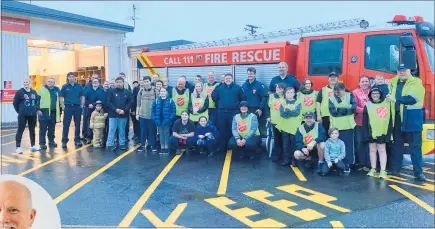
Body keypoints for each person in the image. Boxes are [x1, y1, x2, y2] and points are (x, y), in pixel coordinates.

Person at [387, 64, 426, 181]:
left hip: (412, 119)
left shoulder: (416, 82)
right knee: (397, 146)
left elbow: (413, 99)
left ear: (409, 71)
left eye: (404, 70)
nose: (402, 72)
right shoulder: (393, 82)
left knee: (415, 147)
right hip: (397, 119)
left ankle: (418, 172)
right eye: (400, 71)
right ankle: (395, 169)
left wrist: (396, 100)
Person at [212, 73, 245, 155]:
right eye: (226, 78)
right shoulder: (219, 88)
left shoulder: (238, 88)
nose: (228, 79)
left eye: (229, 78)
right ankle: (222, 148)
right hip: (222, 112)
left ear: (232, 79)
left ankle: (235, 148)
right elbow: (214, 97)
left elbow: (243, 98)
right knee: (222, 130)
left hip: (234, 112)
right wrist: (220, 104)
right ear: (224, 79)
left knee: (234, 130)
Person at [363, 87, 392, 179]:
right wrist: (366, 132)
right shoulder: (367, 105)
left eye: (377, 93)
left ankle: (383, 170)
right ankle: (373, 168)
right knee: (372, 150)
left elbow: (390, 118)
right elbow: (365, 121)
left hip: (382, 131)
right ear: (370, 95)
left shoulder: (387, 103)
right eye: (373, 94)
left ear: (380, 94)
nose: (375, 95)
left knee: (382, 150)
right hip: (371, 131)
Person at [329, 82, 357, 173]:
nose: (338, 92)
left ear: (344, 89)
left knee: (349, 147)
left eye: (340, 90)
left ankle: (348, 164)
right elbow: (333, 112)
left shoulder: (350, 96)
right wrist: (346, 108)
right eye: (336, 91)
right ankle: (337, 164)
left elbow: (353, 108)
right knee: (336, 147)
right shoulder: (331, 98)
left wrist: (339, 109)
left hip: (348, 126)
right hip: (336, 127)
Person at [13, 78, 40, 153]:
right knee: (20, 130)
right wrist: (20, 111)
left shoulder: (34, 92)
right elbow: (15, 103)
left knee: (32, 130)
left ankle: (33, 145)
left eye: (27, 82)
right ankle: (18, 147)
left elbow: (37, 102)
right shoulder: (19, 92)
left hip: (32, 115)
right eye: (24, 82)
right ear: (23, 83)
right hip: (23, 115)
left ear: (30, 83)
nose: (25, 83)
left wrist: (36, 109)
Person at [106, 77, 133, 151]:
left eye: (120, 82)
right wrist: (116, 109)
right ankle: (110, 144)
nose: (118, 83)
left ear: (123, 83)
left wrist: (125, 110)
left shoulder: (127, 92)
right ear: (115, 83)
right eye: (117, 82)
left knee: (122, 130)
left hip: (123, 114)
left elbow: (130, 102)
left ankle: (122, 144)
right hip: (113, 115)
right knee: (112, 130)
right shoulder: (111, 92)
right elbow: (108, 102)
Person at [59, 72, 85, 148]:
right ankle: (64, 141)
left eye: (72, 76)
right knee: (66, 125)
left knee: (77, 124)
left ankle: (77, 140)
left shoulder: (79, 86)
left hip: (77, 107)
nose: (71, 78)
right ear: (67, 78)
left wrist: (82, 105)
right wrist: (62, 106)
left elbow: (82, 96)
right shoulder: (64, 86)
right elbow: (61, 97)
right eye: (69, 77)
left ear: (75, 78)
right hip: (68, 107)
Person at [279, 87, 302, 166]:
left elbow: (297, 113)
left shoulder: (298, 102)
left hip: (294, 128)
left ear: (294, 93)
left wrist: (287, 111)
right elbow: (282, 114)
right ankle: (286, 160)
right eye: (288, 92)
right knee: (286, 145)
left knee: (293, 145)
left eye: (291, 92)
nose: (290, 94)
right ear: (285, 94)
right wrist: (290, 113)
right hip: (285, 127)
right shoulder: (282, 103)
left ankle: (294, 160)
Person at [241, 67, 268, 136]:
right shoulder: (244, 85)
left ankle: (257, 144)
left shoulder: (259, 85)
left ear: (254, 74)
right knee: (247, 127)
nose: (250, 75)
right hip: (246, 110)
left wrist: (260, 108)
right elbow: (242, 98)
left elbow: (264, 97)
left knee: (256, 128)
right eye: (248, 74)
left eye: (251, 74)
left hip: (256, 110)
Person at [352, 76, 371, 171]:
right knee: (359, 143)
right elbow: (354, 107)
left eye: (366, 81)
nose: (364, 83)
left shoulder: (373, 91)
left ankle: (369, 163)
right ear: (359, 83)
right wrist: (366, 111)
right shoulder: (355, 92)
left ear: (369, 82)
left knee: (369, 143)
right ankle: (361, 163)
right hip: (359, 121)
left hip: (371, 122)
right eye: (362, 81)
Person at [36, 77, 60, 149]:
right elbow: (36, 100)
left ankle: (51, 141)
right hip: (43, 112)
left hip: (53, 112)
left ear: (54, 83)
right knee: (43, 128)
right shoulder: (41, 90)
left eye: (52, 82)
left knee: (52, 128)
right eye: (49, 81)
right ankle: (42, 143)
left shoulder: (57, 90)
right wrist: (37, 110)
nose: (50, 83)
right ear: (46, 82)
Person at [152, 87, 176, 154]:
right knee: (161, 134)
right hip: (159, 121)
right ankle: (162, 147)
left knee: (166, 134)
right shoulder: (156, 101)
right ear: (159, 93)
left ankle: (167, 147)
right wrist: (154, 118)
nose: (162, 92)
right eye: (161, 91)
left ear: (166, 92)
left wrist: (170, 119)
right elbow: (153, 110)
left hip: (167, 121)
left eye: (164, 91)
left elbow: (173, 111)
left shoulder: (170, 101)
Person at [136, 76, 157, 152]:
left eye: (147, 81)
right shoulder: (141, 91)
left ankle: (153, 146)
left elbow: (157, 103)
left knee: (152, 132)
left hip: (152, 116)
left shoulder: (155, 91)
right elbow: (138, 104)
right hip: (142, 115)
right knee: (143, 132)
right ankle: (142, 146)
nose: (146, 83)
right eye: (145, 82)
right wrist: (137, 114)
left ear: (150, 82)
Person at [267, 83, 286, 162]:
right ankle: (277, 155)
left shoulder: (286, 97)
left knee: (284, 140)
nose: (277, 90)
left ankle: (285, 156)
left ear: (283, 89)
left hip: (284, 122)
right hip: (275, 121)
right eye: (277, 88)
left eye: (279, 88)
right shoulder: (272, 96)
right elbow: (267, 107)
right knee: (277, 139)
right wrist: (268, 117)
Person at [83, 77, 104, 144]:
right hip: (89, 110)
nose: (95, 82)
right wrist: (88, 104)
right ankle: (89, 137)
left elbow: (101, 100)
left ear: (99, 83)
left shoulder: (101, 90)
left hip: (99, 111)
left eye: (96, 81)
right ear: (92, 83)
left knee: (98, 124)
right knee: (90, 123)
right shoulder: (88, 90)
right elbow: (84, 99)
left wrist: (94, 104)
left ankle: (98, 138)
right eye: (94, 81)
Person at [101, 80, 110, 148]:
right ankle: (103, 141)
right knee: (103, 128)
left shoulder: (111, 92)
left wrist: (107, 113)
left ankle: (109, 142)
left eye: (107, 84)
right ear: (103, 85)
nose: (106, 85)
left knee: (110, 128)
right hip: (101, 113)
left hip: (109, 113)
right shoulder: (99, 92)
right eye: (105, 84)